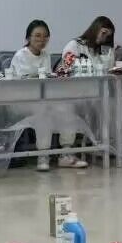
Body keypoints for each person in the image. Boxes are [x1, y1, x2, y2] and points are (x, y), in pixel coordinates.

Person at [12, 20, 88, 171]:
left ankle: (66, 153)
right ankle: (43, 155)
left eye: (45, 36)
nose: (41, 40)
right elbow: (22, 82)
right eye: (37, 36)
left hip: (43, 97)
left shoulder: (46, 55)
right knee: (43, 110)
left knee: (67, 107)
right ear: (28, 37)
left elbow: (47, 79)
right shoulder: (21, 55)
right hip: (22, 100)